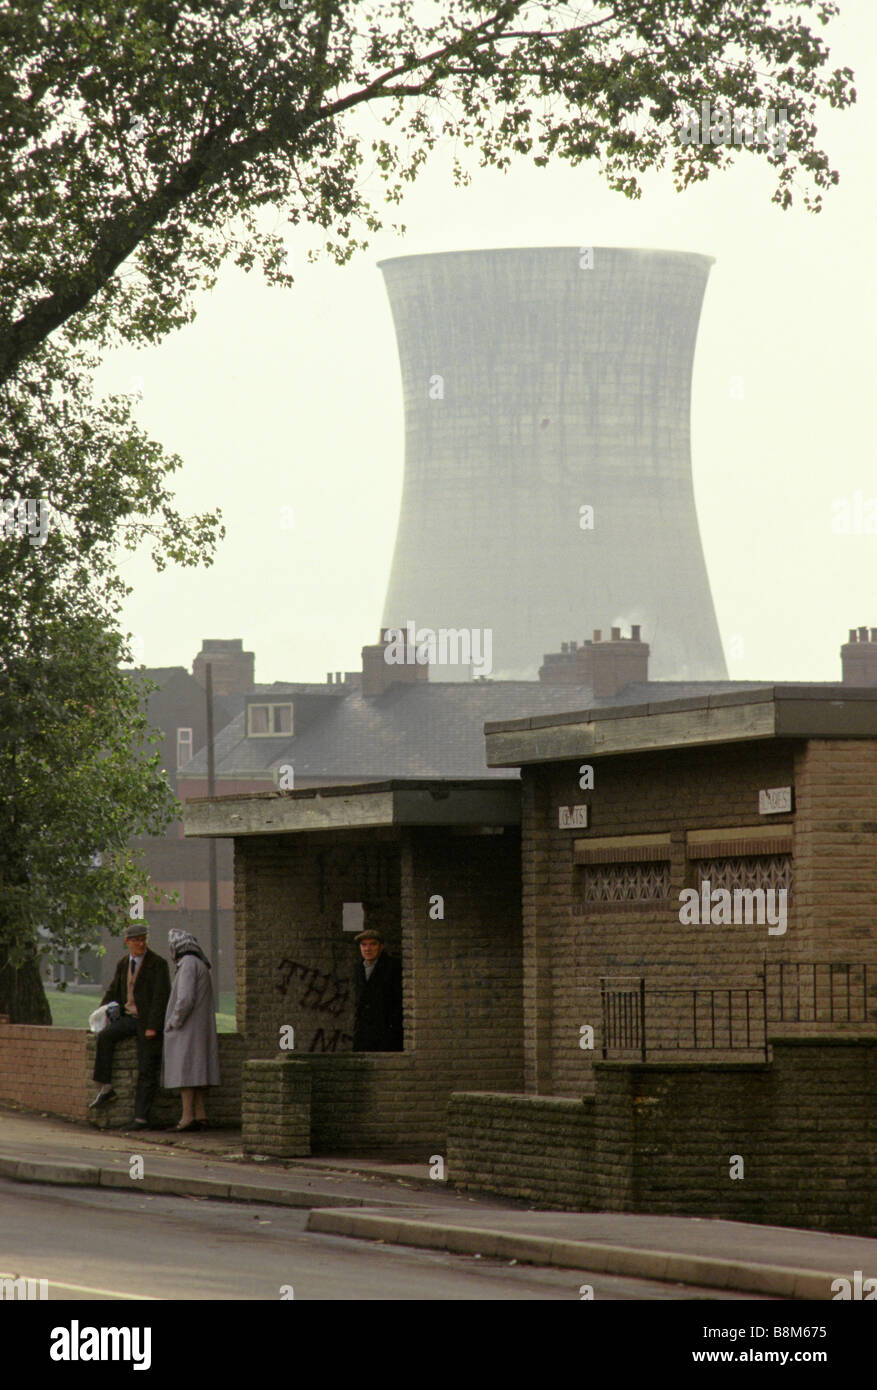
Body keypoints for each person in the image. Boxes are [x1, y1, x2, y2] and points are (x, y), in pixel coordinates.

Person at [89, 924, 171, 1130]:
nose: (141, 943)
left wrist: (153, 1026)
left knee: (147, 1067)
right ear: (128, 942)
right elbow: (113, 991)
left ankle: (141, 1118)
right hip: (129, 1018)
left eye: (144, 939)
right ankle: (106, 1088)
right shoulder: (124, 963)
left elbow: (161, 997)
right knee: (105, 1037)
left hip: (147, 1022)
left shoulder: (158, 964)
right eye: (136, 940)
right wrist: (99, 1014)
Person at [162, 928, 220, 1132]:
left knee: (185, 1072)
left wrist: (173, 1022)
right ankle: (201, 1115)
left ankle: (187, 1118)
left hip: (187, 1028)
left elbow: (185, 999)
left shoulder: (186, 965)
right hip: (199, 1028)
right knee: (198, 1071)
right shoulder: (199, 964)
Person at [352, 928, 403, 1051]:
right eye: (364, 945)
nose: (368, 949)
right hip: (363, 1031)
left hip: (386, 1031)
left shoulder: (393, 966)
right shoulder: (359, 968)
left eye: (372, 944)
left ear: (381, 947)